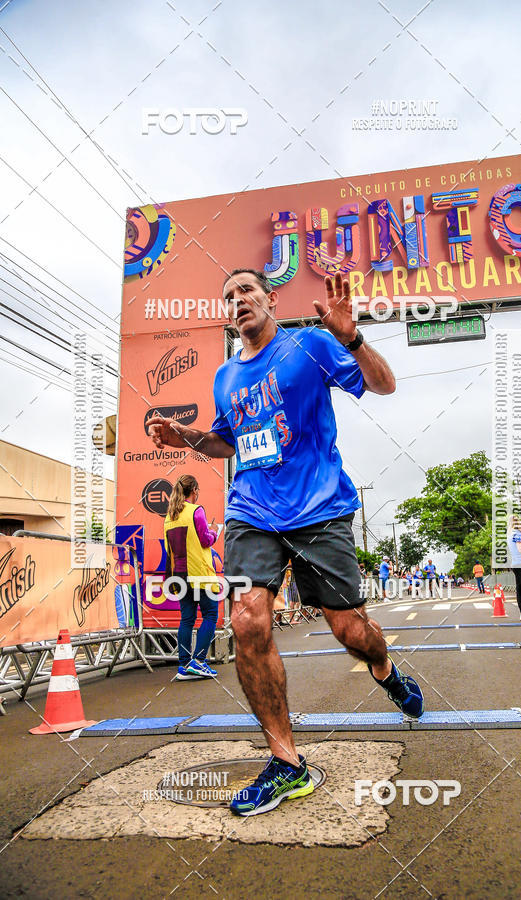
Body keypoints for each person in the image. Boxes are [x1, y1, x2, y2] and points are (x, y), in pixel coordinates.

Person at [147, 269, 424, 818]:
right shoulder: (225, 377)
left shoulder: (310, 344)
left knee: (351, 631)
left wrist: (353, 338)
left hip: (320, 509)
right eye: (228, 296)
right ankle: (285, 762)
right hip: (253, 511)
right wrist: (187, 437)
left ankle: (385, 669)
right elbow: (226, 442)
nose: (238, 301)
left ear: (270, 298)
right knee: (247, 621)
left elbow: (385, 385)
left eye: (246, 290)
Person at [163, 474, 220, 680]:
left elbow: (169, 549)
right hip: (198, 573)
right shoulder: (197, 511)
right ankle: (199, 661)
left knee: (187, 618)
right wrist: (214, 531)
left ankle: (184, 665)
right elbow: (206, 541)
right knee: (210, 615)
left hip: (178, 574)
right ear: (194, 490)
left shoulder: (169, 516)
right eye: (198, 490)